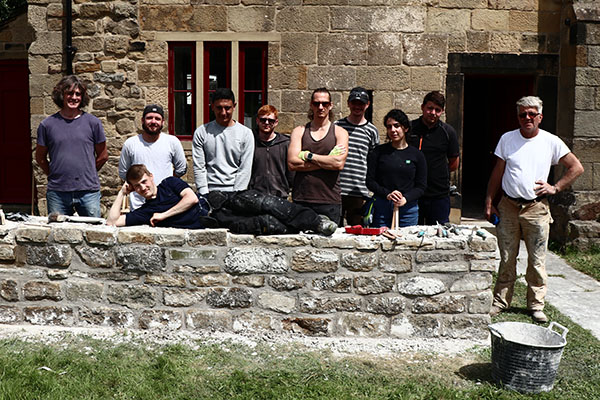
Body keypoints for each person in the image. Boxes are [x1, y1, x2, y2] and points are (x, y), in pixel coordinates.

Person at [484, 96, 584, 323]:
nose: (527, 118)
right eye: (522, 114)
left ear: (540, 116)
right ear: (517, 117)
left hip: (536, 208)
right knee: (507, 257)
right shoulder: (507, 139)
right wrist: (489, 202)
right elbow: (498, 173)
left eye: (531, 114)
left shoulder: (552, 141)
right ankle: (500, 301)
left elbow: (576, 167)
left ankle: (536, 305)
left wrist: (555, 187)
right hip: (508, 206)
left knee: (537, 260)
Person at [35, 75, 108, 217]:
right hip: (58, 192)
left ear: (82, 97)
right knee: (57, 235)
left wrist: (87, 173)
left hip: (88, 192)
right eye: (69, 93)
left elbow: (103, 156)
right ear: (61, 95)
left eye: (78, 94)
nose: (74, 98)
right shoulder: (47, 125)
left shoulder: (93, 123)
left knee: (93, 234)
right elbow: (40, 158)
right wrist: (55, 174)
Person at [288, 88, 349, 224]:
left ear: (331, 105)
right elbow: (292, 163)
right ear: (311, 105)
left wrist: (308, 155)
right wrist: (327, 161)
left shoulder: (340, 132)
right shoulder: (299, 131)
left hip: (329, 200)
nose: (320, 107)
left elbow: (338, 164)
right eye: (316, 104)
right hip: (302, 199)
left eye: (325, 104)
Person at [118, 104, 187, 210]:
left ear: (163, 122)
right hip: (138, 205)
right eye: (149, 118)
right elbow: (124, 173)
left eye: (157, 119)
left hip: (166, 204)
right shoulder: (130, 144)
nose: (153, 121)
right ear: (142, 120)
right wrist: (140, 187)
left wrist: (166, 186)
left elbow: (181, 169)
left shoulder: (172, 142)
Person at [366, 109, 427, 228]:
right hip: (382, 207)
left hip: (408, 209)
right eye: (389, 127)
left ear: (405, 128)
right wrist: (387, 194)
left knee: (407, 244)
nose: (393, 130)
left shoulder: (417, 155)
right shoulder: (378, 152)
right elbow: (370, 181)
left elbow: (421, 186)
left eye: (396, 126)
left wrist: (405, 198)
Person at [408, 91, 459, 225]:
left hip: (439, 195)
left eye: (437, 110)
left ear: (442, 111)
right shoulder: (410, 129)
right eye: (430, 108)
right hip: (412, 193)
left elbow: (454, 163)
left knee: (439, 236)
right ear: (422, 107)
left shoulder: (448, 132)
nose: (433, 113)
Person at [192, 88, 254, 196]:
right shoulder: (202, 132)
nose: (223, 112)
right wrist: (204, 193)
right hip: (209, 191)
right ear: (212, 106)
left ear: (234, 106)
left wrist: (236, 195)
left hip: (235, 192)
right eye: (219, 108)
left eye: (227, 108)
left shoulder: (246, 133)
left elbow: (245, 169)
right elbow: (199, 167)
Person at [107, 164, 208, 228]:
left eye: (144, 181)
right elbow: (112, 222)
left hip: (214, 210)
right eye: (137, 186)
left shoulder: (169, 183)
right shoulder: (146, 211)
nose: (142, 187)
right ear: (133, 189)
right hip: (205, 226)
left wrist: (163, 215)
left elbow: (191, 198)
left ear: (151, 176)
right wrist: (122, 193)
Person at [335, 87, 380, 226]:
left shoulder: (372, 131)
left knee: (357, 231)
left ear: (367, 105)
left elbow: (374, 161)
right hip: (337, 188)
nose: (357, 107)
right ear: (348, 103)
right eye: (354, 103)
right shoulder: (337, 126)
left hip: (359, 190)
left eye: (361, 103)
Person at [249, 105, 294, 198]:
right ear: (257, 121)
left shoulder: (285, 143)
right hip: (255, 196)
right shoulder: (251, 142)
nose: (266, 123)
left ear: (276, 122)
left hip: (279, 195)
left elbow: (291, 172)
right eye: (263, 120)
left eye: (271, 120)